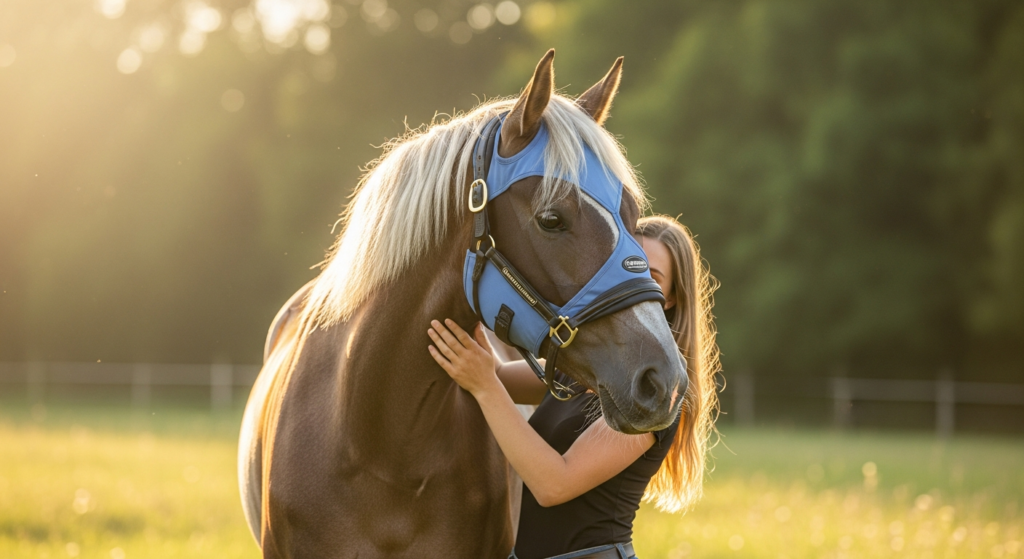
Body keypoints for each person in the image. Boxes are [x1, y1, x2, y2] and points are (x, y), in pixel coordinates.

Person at [427, 214, 720, 559]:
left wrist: (485, 386)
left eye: (651, 277)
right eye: (629, 268)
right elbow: (497, 377)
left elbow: (554, 484)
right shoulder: (593, 367)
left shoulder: (655, 391)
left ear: (670, 298)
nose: (634, 283)